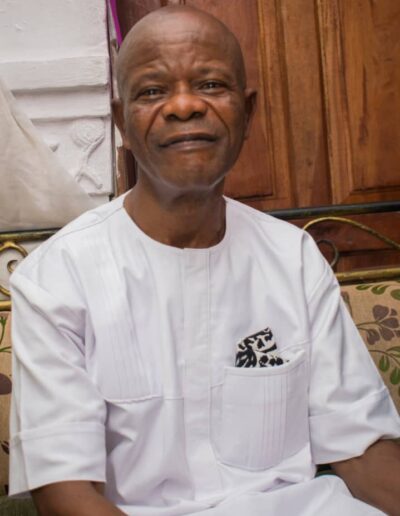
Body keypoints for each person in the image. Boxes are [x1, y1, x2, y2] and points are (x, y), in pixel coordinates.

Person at [9, 5, 400, 516]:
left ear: (247, 113)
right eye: (153, 91)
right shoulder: (57, 278)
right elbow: (65, 493)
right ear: (122, 122)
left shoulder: (293, 258)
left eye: (211, 85)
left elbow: (360, 448)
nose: (184, 106)